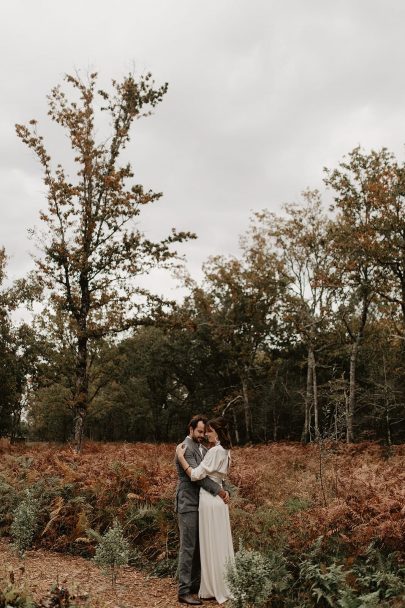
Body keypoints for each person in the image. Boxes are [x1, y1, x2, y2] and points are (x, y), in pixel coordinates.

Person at [176, 416, 234, 605]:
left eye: (205, 431)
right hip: (188, 503)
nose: (202, 435)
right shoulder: (184, 449)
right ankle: (184, 591)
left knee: (202, 547)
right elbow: (198, 477)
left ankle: (197, 586)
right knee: (188, 547)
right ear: (191, 429)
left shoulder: (204, 448)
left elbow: (214, 473)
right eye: (200, 432)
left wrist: (225, 490)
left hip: (203, 504)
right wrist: (220, 491)